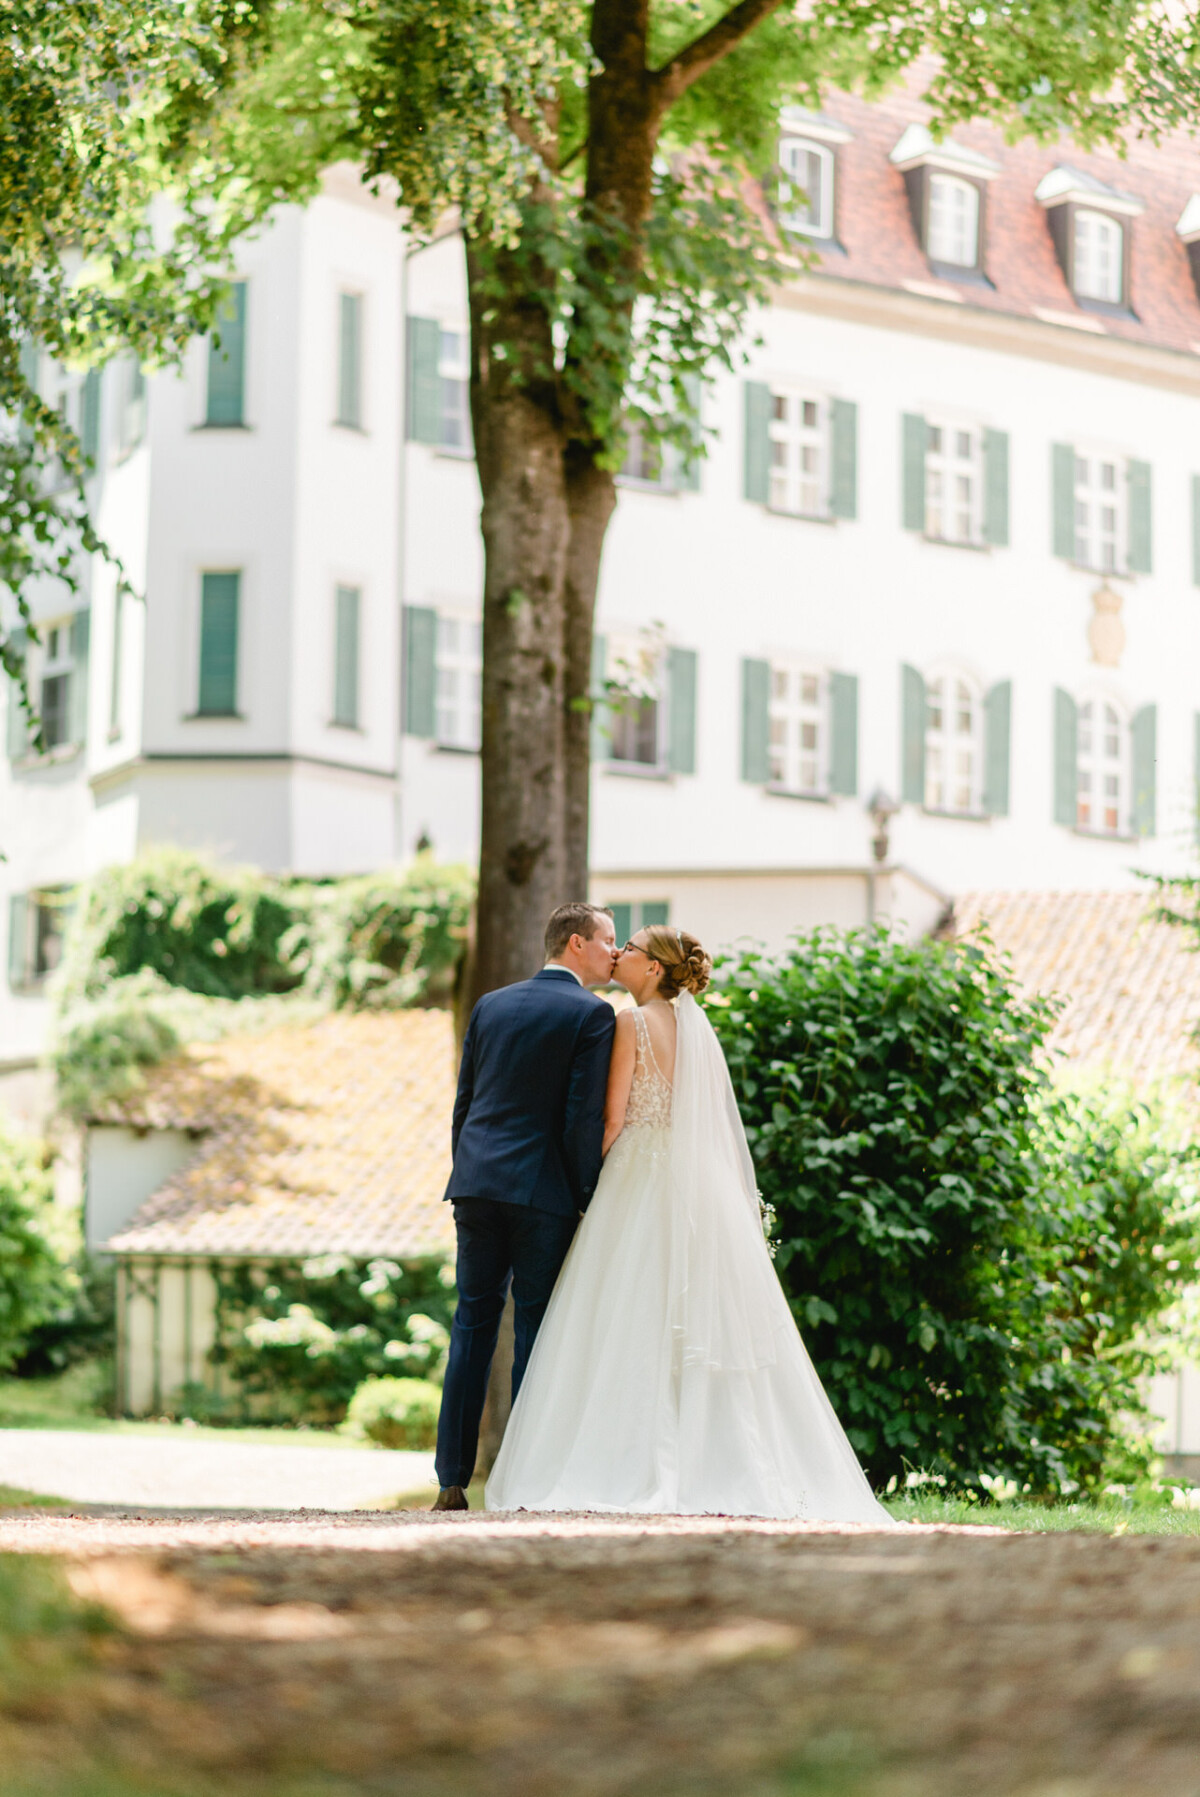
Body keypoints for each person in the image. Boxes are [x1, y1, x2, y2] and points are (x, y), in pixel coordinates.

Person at [486, 923, 892, 1523]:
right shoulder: (697, 1031)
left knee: (626, 1313)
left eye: (633, 950)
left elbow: (613, 1117)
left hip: (639, 1175)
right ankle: (716, 1460)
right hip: (699, 1180)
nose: (620, 955)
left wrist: (585, 1187)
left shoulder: (630, 1021)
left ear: (653, 968)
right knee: (694, 1314)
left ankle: (628, 1461)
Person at [432, 901, 618, 1511]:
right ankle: (522, 1480)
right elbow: (580, 1118)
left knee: (471, 1327)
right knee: (537, 1330)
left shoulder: (491, 1004)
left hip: (477, 1185)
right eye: (606, 940)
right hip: (544, 1193)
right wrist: (587, 1195)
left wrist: (470, 1170)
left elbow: (466, 1102)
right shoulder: (593, 1016)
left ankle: (451, 1481)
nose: (613, 951)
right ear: (574, 944)